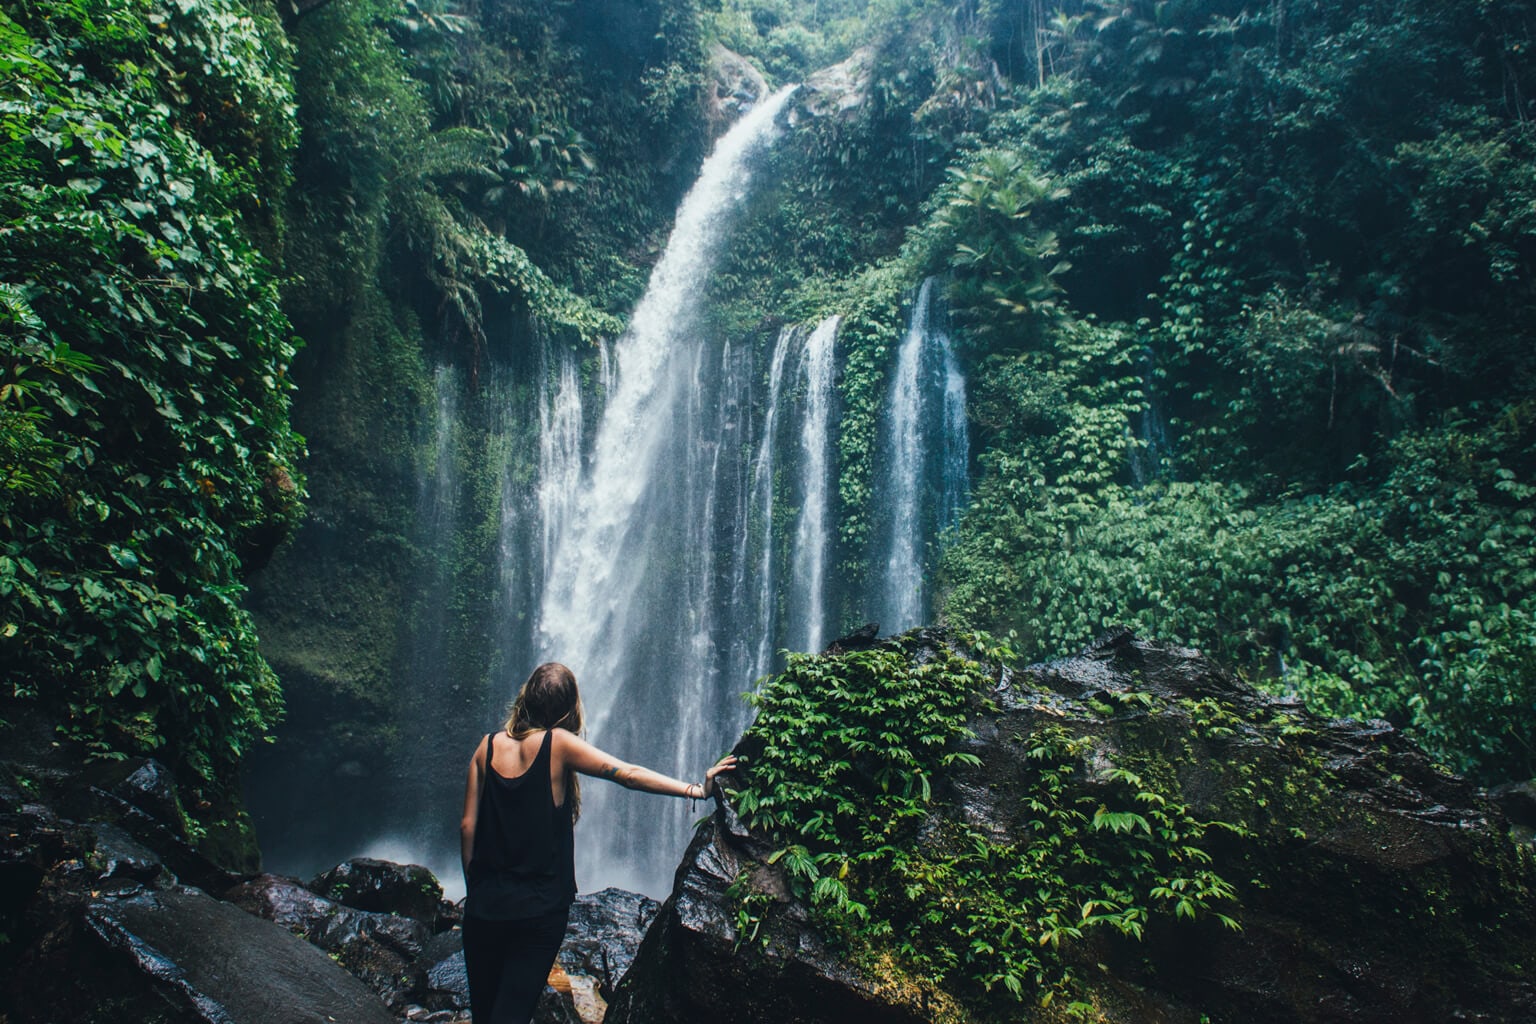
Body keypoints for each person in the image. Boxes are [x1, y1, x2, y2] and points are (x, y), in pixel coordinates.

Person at [459, 661, 736, 1024]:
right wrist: (696, 790)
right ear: (570, 709)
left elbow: (467, 827)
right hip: (537, 913)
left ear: (525, 698)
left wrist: (476, 891)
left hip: (484, 909)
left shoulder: (488, 746)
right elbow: (629, 775)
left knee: (485, 1013)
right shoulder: (558, 744)